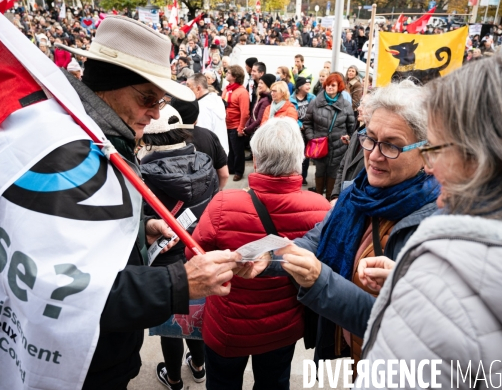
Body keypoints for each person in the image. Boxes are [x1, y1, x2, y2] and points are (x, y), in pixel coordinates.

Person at [353, 49, 502, 388]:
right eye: (371, 140)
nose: (431, 168)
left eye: (436, 149)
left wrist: (426, 288)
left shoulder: (435, 285)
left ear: (482, 160)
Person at [56, 15, 238, 389]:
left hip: (103, 356)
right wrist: (180, 281)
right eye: (147, 98)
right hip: (75, 366)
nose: (156, 112)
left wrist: (140, 230)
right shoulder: (70, 152)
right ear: (108, 85)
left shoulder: (100, 140)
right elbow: (64, 289)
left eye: (161, 100)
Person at [239, 80, 440, 374]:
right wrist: (269, 255)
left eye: (392, 146)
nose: (373, 155)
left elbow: (397, 324)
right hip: (353, 352)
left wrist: (319, 280)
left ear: (427, 152)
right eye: (369, 138)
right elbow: (316, 239)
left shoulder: (434, 225)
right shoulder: (357, 192)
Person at [187, 118, 331, 390]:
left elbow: (193, 253)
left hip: (229, 327)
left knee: (222, 383)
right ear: (298, 158)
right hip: (284, 325)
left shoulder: (223, 203)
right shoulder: (320, 207)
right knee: (275, 381)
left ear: (256, 156)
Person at [138, 105, 217, 390]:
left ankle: (173, 378)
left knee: (169, 319)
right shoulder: (204, 163)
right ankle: (198, 365)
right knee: (195, 311)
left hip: (162, 254)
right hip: (196, 248)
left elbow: (140, 219)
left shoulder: (142, 172)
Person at [303, 73, 356, 200]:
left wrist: (346, 139)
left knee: (334, 174)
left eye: (333, 85)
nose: (329, 88)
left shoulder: (346, 105)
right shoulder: (315, 102)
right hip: (319, 146)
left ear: (339, 87)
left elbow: (351, 126)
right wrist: (312, 137)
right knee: (319, 172)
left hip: (338, 147)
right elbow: (307, 122)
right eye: (328, 85)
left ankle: (329, 202)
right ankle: (318, 200)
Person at [331, 94, 370, 202]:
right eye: (360, 103)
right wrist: (336, 195)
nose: (359, 108)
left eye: (365, 105)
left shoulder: (378, 144)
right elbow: (343, 167)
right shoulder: (357, 133)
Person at [186, 73, 229, 156]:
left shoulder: (202, 107)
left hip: (209, 154)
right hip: (221, 149)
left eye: (188, 86)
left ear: (198, 88)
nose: (186, 89)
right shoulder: (215, 99)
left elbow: (202, 135)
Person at [222, 65, 250, 181]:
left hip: (235, 125)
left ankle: (239, 171)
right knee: (229, 149)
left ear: (234, 76)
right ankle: (231, 168)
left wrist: (241, 128)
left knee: (238, 151)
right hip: (226, 125)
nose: (226, 74)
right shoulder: (227, 89)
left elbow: (245, 112)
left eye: (228, 72)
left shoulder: (242, 92)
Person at [290, 76, 316, 185]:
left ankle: (303, 176)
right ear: (300, 86)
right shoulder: (291, 99)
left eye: (310, 84)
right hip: (296, 130)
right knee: (296, 153)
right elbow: (291, 114)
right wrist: (299, 124)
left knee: (305, 155)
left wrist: (308, 124)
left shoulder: (312, 98)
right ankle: (294, 175)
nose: (309, 86)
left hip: (308, 129)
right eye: (306, 84)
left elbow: (315, 113)